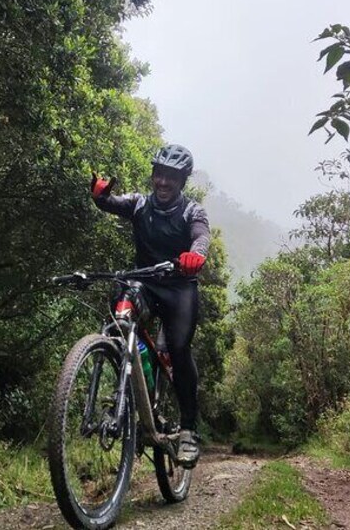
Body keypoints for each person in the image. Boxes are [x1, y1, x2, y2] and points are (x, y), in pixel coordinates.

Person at [90, 143, 210, 468]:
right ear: (153, 175)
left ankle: (188, 430)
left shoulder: (191, 211)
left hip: (179, 289)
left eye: (171, 177)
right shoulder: (140, 204)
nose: (163, 182)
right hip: (144, 282)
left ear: (182, 181)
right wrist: (100, 196)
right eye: (159, 174)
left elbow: (200, 237)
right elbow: (112, 203)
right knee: (120, 316)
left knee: (179, 349)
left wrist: (195, 256)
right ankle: (132, 392)